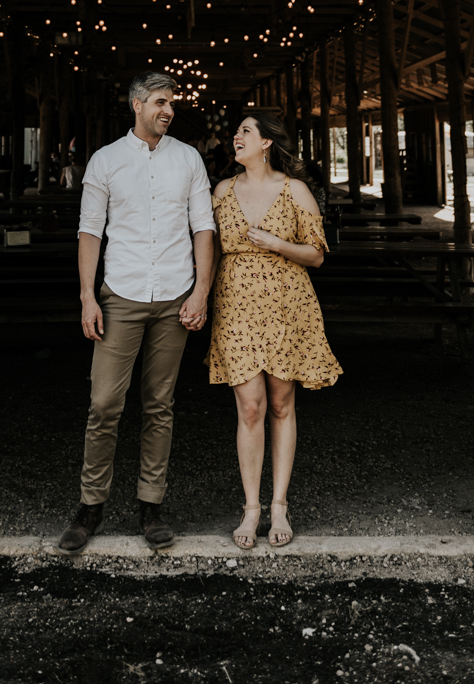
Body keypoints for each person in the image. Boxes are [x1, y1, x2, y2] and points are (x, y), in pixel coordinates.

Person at [58, 71, 215, 554]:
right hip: (121, 294)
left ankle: (151, 504)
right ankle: (90, 506)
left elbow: (203, 229)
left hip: (174, 296)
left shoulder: (188, 159)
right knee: (104, 404)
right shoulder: (105, 161)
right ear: (137, 104)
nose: (169, 111)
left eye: (173, 104)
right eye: (161, 103)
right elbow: (90, 232)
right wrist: (87, 296)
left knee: (159, 405)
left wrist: (201, 292)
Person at [206, 110, 341, 551]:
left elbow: (318, 255)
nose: (236, 137)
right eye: (237, 131)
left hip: (287, 304)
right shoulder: (222, 190)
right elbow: (201, 243)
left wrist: (277, 244)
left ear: (266, 143)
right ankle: (251, 508)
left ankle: (279, 503)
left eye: (245, 131)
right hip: (236, 305)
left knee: (282, 404)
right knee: (250, 406)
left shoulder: (294, 189)